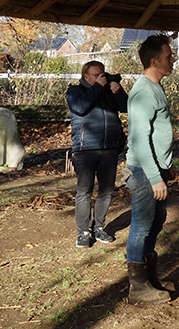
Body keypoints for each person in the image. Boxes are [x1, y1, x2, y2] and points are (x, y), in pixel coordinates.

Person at [125, 34, 177, 303]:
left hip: (155, 168)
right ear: (154, 61)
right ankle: (138, 287)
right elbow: (140, 140)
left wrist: (167, 166)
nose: (173, 60)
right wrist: (156, 177)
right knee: (142, 225)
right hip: (144, 171)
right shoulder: (143, 92)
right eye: (169, 57)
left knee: (155, 222)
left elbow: (157, 133)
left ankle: (149, 276)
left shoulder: (155, 87)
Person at [66, 61, 127, 248]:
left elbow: (125, 107)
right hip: (85, 149)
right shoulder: (75, 92)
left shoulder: (107, 90)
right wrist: (97, 87)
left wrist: (119, 92)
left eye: (102, 74)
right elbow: (81, 108)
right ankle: (83, 232)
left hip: (109, 147)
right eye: (96, 74)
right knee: (84, 191)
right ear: (86, 76)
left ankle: (99, 227)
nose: (101, 77)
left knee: (106, 191)